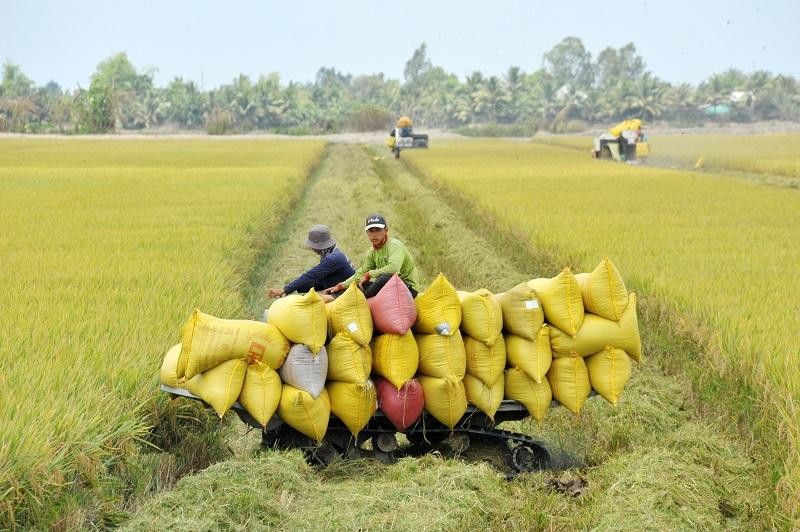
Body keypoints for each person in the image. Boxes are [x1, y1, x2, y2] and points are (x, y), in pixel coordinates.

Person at [324, 214, 421, 298]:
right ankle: (334, 297)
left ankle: (361, 299)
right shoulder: (372, 252)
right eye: (371, 231)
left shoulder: (394, 245)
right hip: (389, 286)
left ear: (386, 230)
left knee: (384, 278)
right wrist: (340, 286)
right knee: (359, 284)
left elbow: (394, 269)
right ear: (367, 233)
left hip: (407, 288)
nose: (374, 235)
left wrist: (370, 274)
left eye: (378, 230)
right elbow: (361, 273)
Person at [267, 224, 355, 299]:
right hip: (343, 289)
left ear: (319, 245)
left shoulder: (333, 258)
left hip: (349, 293)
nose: (312, 248)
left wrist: (285, 289)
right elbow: (322, 280)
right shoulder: (333, 253)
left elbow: (311, 275)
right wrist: (300, 288)